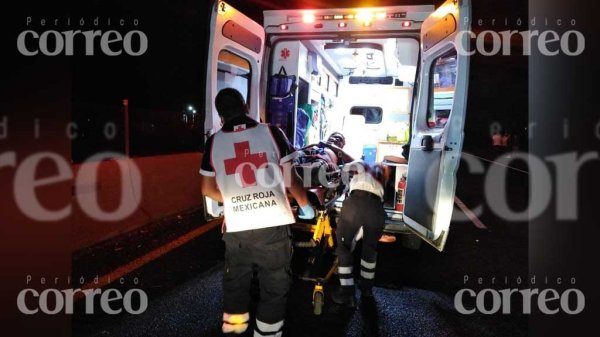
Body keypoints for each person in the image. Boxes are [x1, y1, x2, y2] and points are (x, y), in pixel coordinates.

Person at [200, 88, 314, 337]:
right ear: (245, 106)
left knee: (236, 286)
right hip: (272, 227)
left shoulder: (214, 141)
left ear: (220, 115)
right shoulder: (271, 132)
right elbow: (290, 178)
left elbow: (207, 189)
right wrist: (305, 207)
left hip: (237, 230)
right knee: (274, 287)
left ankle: (234, 332)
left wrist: (235, 197)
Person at [331, 160, 388, 307]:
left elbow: (348, 167)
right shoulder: (382, 172)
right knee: (369, 250)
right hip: (376, 207)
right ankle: (367, 289)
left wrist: (343, 180)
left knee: (344, 247)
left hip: (355, 203)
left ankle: (347, 292)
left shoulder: (363, 164)